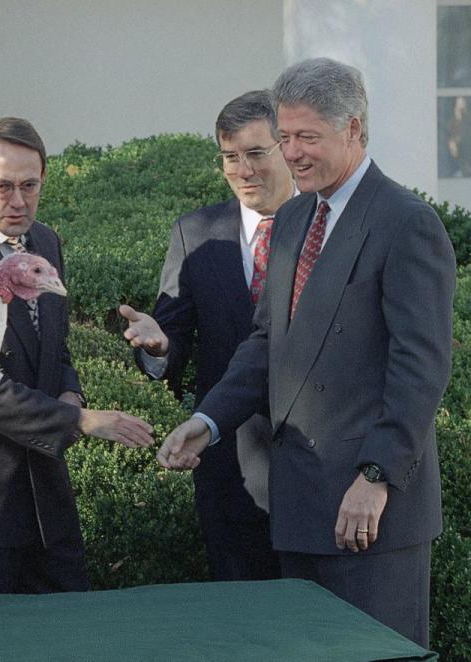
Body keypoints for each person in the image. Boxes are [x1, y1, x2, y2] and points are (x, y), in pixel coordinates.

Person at [157, 58, 455, 647]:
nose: (292, 154)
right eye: (285, 137)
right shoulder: (294, 217)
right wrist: (208, 419)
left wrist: (377, 477)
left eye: (307, 137)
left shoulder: (406, 222)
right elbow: (267, 343)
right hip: (297, 509)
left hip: (371, 514)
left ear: (354, 130)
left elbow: (420, 369)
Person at [0, 117, 156, 596]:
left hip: (48, 501)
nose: (19, 201)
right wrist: (78, 419)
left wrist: (70, 388)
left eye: (30, 185)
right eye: (3, 187)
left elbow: (54, 344)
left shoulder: (45, 242)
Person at [119, 90, 294, 582]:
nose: (244, 169)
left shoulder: (324, 229)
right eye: (231, 157)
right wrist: (159, 347)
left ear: (287, 147)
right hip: (229, 466)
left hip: (318, 467)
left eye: (257, 153)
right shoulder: (195, 232)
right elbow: (170, 340)